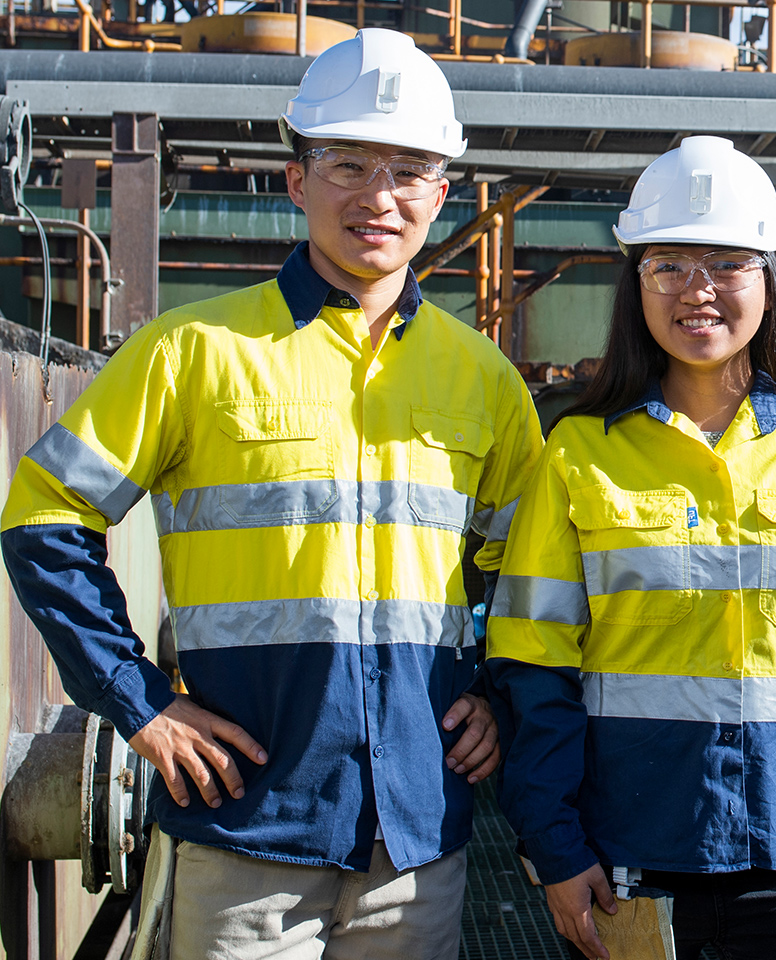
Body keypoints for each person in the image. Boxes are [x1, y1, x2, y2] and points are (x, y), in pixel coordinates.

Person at [0, 28, 543, 959]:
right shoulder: (192, 352)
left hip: (414, 847)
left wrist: (496, 692)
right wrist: (139, 702)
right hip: (245, 834)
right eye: (348, 164)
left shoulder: (485, 381)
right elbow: (45, 515)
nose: (378, 196)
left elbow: (532, 571)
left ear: (440, 197)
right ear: (297, 180)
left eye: (409, 170)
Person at [487, 136, 776, 960]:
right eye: (669, 264)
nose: (698, 290)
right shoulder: (579, 455)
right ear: (636, 284)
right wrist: (554, 848)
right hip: (626, 857)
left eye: (728, 264)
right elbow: (532, 668)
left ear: (768, 283)